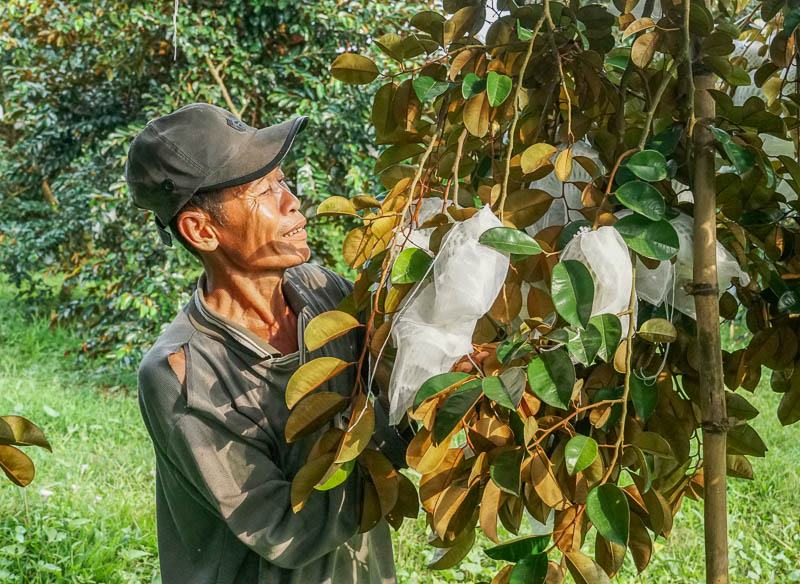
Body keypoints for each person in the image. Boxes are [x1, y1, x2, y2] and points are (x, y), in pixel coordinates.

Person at [124, 103, 485, 583]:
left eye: (283, 181)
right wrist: (398, 444)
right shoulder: (182, 372)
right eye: (264, 190)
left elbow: (386, 395)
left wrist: (442, 367)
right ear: (202, 229)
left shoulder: (321, 291)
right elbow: (281, 528)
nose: (291, 201)